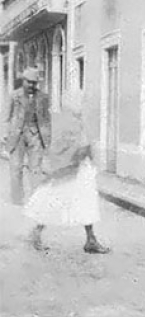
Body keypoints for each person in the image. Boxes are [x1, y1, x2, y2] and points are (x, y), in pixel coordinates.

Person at [23, 104, 109, 253]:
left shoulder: (77, 123)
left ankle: (91, 239)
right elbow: (70, 146)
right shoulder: (68, 124)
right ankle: (35, 233)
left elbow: (84, 144)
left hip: (81, 168)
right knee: (54, 199)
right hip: (71, 169)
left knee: (86, 201)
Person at [4, 68, 51, 205]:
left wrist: (47, 138)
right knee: (16, 167)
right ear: (23, 81)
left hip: (36, 135)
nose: (31, 85)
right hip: (16, 136)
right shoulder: (14, 95)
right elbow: (5, 117)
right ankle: (17, 200)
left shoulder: (43, 97)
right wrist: (4, 135)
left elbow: (47, 119)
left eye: (34, 83)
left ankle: (35, 200)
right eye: (28, 82)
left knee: (35, 168)